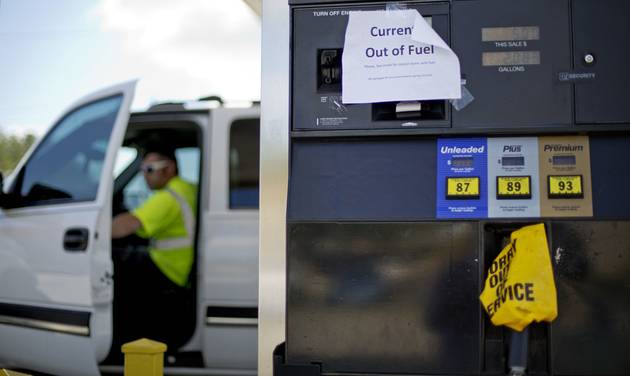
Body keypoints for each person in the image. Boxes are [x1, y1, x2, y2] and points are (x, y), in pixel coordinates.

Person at [110, 145, 197, 354]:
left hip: (168, 269)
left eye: (149, 169)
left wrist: (91, 230)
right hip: (178, 268)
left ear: (169, 169)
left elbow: (127, 225)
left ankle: (120, 342)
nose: (144, 175)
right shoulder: (187, 187)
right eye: (142, 170)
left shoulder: (168, 197)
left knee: (113, 265)